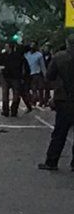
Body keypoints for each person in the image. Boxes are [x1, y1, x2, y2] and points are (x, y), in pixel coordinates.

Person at [38, 35, 74, 171]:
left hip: (64, 99)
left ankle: (52, 161)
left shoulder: (59, 57)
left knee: (59, 132)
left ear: (67, 43)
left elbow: (49, 76)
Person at [0, 42, 33, 117]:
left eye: (6, 46)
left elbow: (23, 66)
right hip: (7, 77)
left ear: (10, 47)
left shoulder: (17, 56)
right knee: (6, 94)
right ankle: (6, 110)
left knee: (15, 94)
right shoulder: (4, 55)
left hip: (15, 77)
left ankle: (13, 110)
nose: (5, 48)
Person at [25, 42, 47, 106]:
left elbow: (42, 65)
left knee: (40, 88)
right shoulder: (26, 54)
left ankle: (40, 100)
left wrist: (45, 74)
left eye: (33, 46)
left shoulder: (39, 55)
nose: (32, 48)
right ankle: (33, 100)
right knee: (32, 89)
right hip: (29, 74)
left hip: (37, 73)